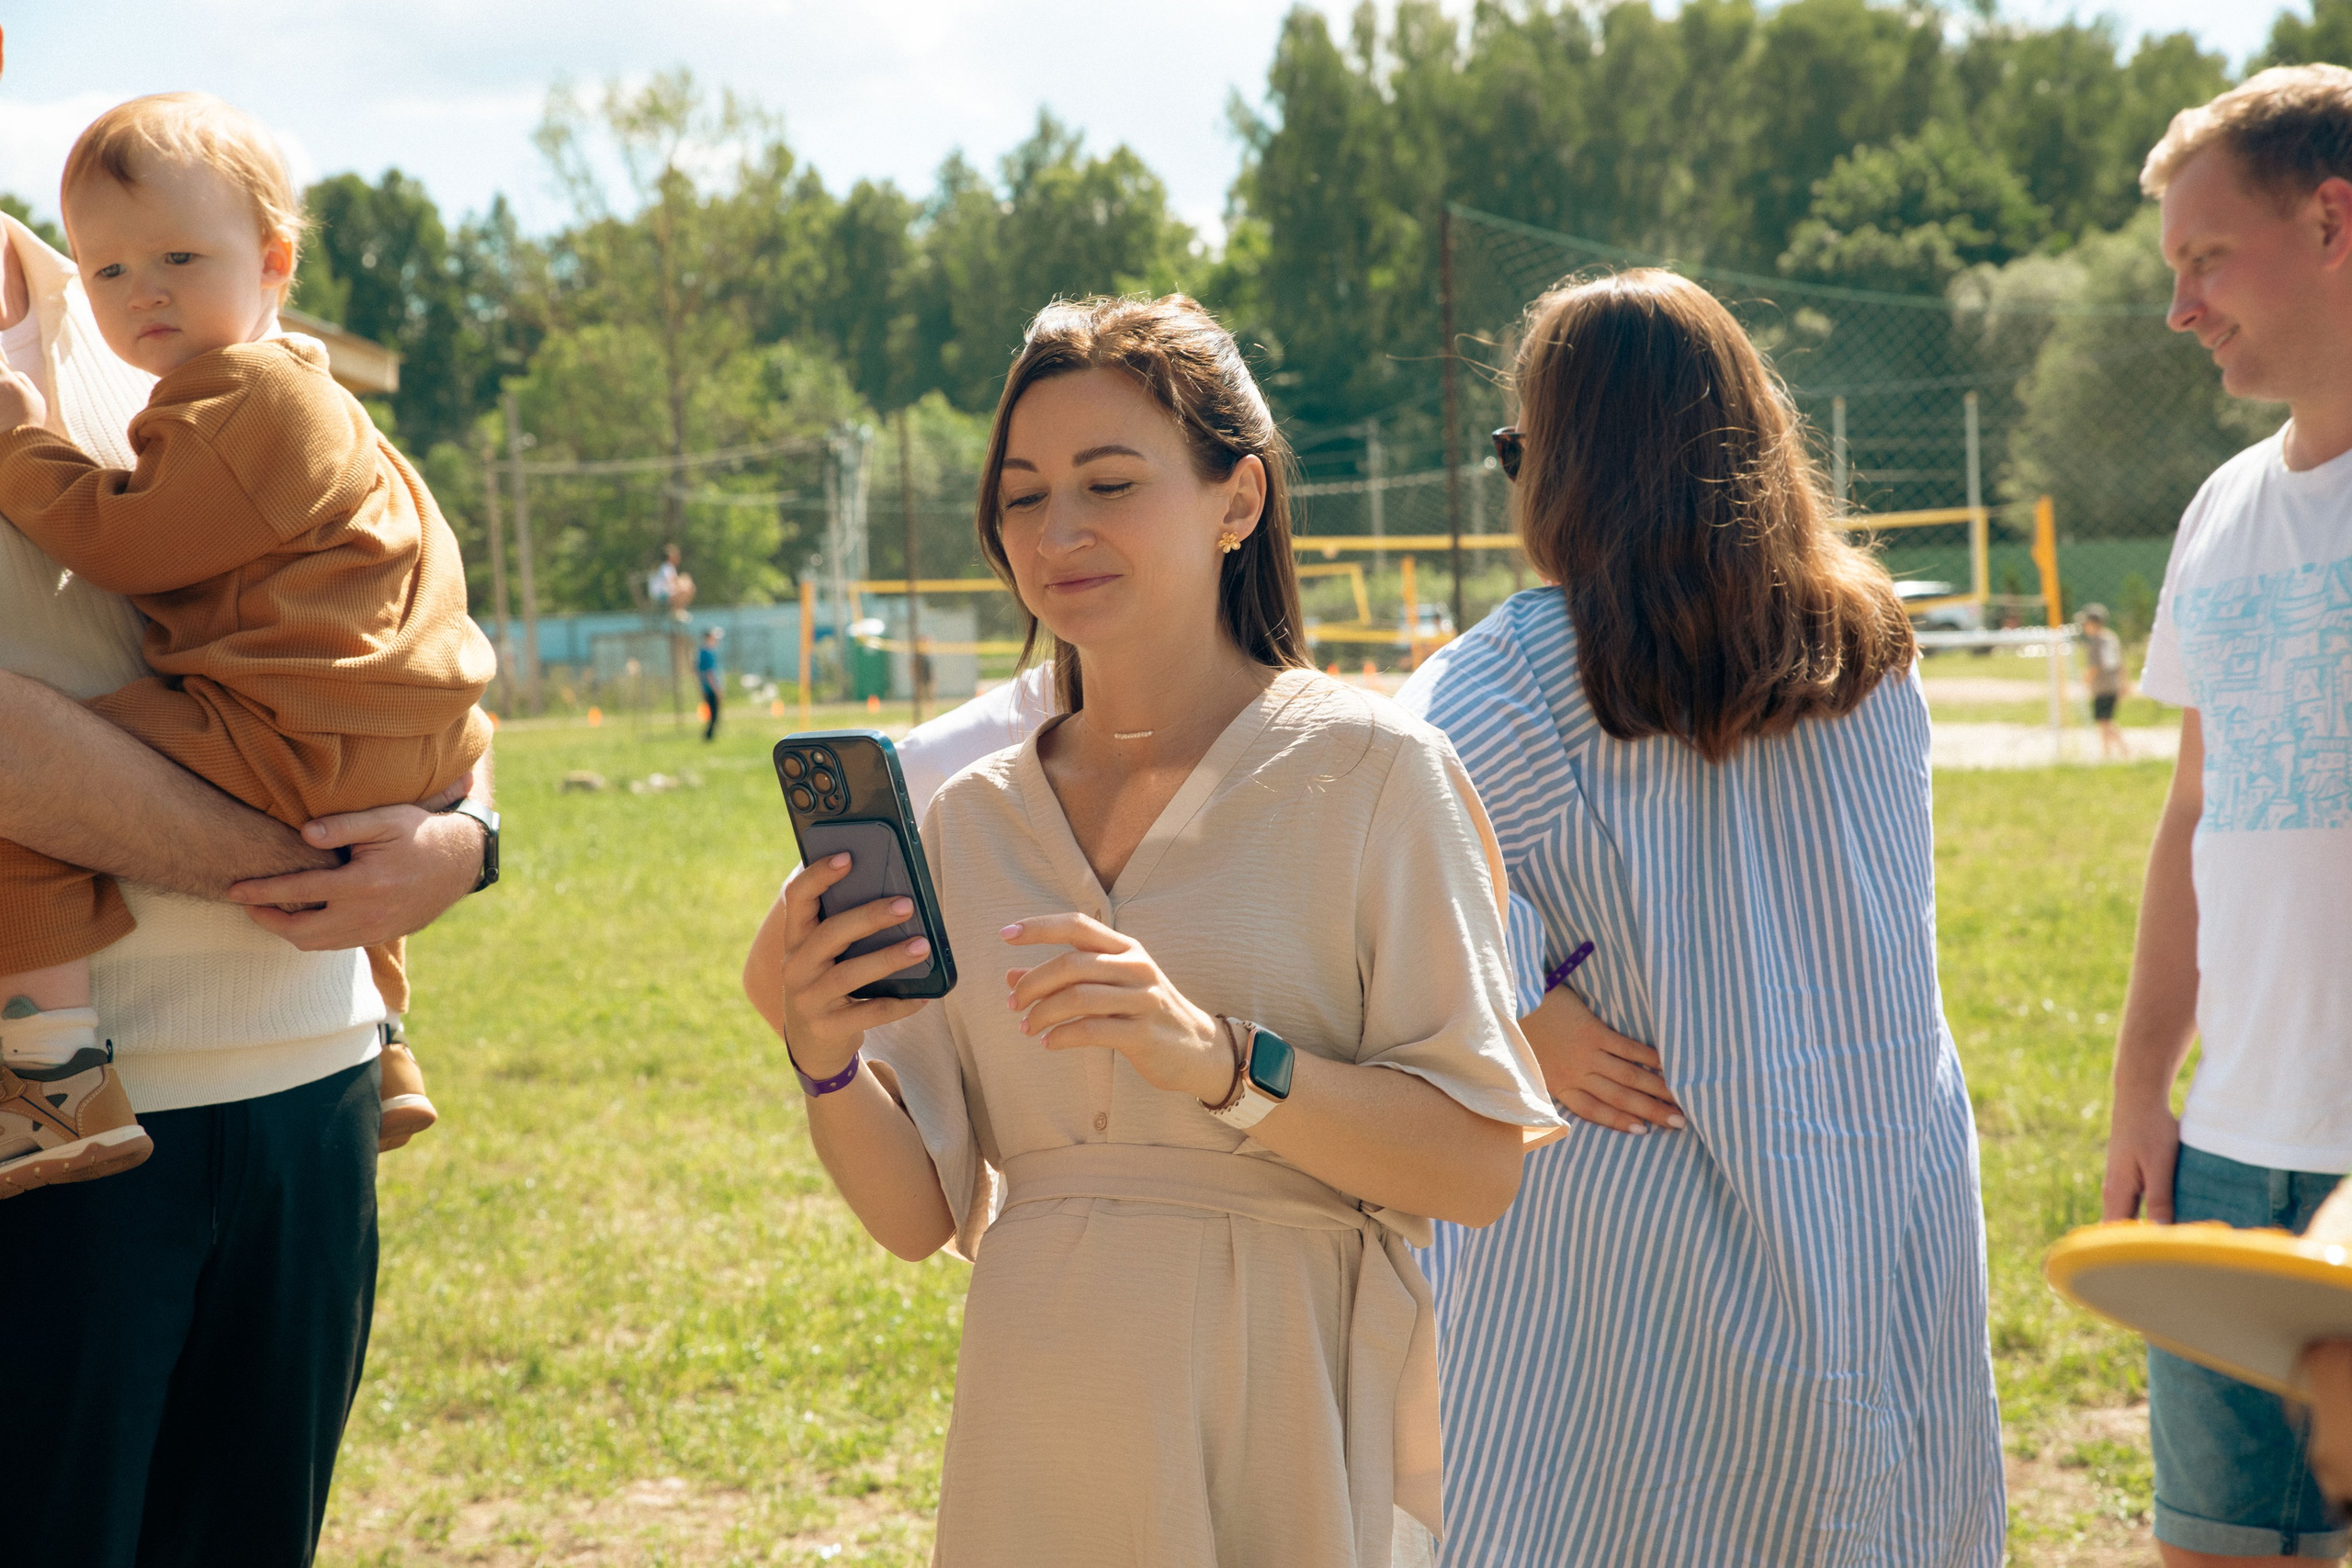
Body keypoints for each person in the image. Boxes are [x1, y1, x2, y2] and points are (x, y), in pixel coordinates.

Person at [743, 294, 1560, 1566]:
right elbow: (917, 1210)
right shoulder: (970, 821)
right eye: (1022, 497)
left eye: (1108, 483)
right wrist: (820, 1054)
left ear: (1237, 502)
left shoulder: (1377, 774)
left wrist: (1225, 1062)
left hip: (1276, 1397)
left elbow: (1478, 1162)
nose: (1056, 530)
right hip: (1037, 1404)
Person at [1397, 269, 2004, 1563]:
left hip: (1626, 1218)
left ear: (1565, 466)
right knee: (1870, 1507)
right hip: (1875, 1176)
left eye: (1518, 449)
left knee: (1614, 1511)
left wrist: (1525, 1001)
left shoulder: (1497, 682)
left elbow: (1380, 893)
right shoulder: (1871, 651)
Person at [0, 37, 498, 1563]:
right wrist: (293, 861)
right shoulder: (127, 281)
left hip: (306, 1091)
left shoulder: (142, 302)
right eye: (118, 268)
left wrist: (466, 837)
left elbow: (397, 625)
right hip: (51, 1164)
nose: (139, 280)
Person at [2100, 63, 2352, 1567]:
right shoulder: (2218, 514)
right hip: (2227, 1164)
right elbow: (2195, 813)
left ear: (2332, 220)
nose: (2183, 307)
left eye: (2207, 259)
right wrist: (2146, 1092)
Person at [2079, 604, 2131, 760]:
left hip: (2102, 687)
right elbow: (2121, 663)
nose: (2084, 626)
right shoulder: (2111, 637)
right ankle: (2107, 751)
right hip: (2113, 685)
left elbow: (2094, 666)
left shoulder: (2096, 642)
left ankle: (2123, 749)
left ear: (2094, 623)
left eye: (2086, 623)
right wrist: (2124, 683)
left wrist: (2085, 680)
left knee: (2105, 721)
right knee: (2105, 720)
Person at [697, 626, 724, 741]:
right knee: (714, 714)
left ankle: (709, 735)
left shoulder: (705, 652)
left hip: (708, 688)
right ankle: (708, 736)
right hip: (711, 688)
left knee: (714, 714)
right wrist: (716, 689)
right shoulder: (706, 653)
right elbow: (709, 674)